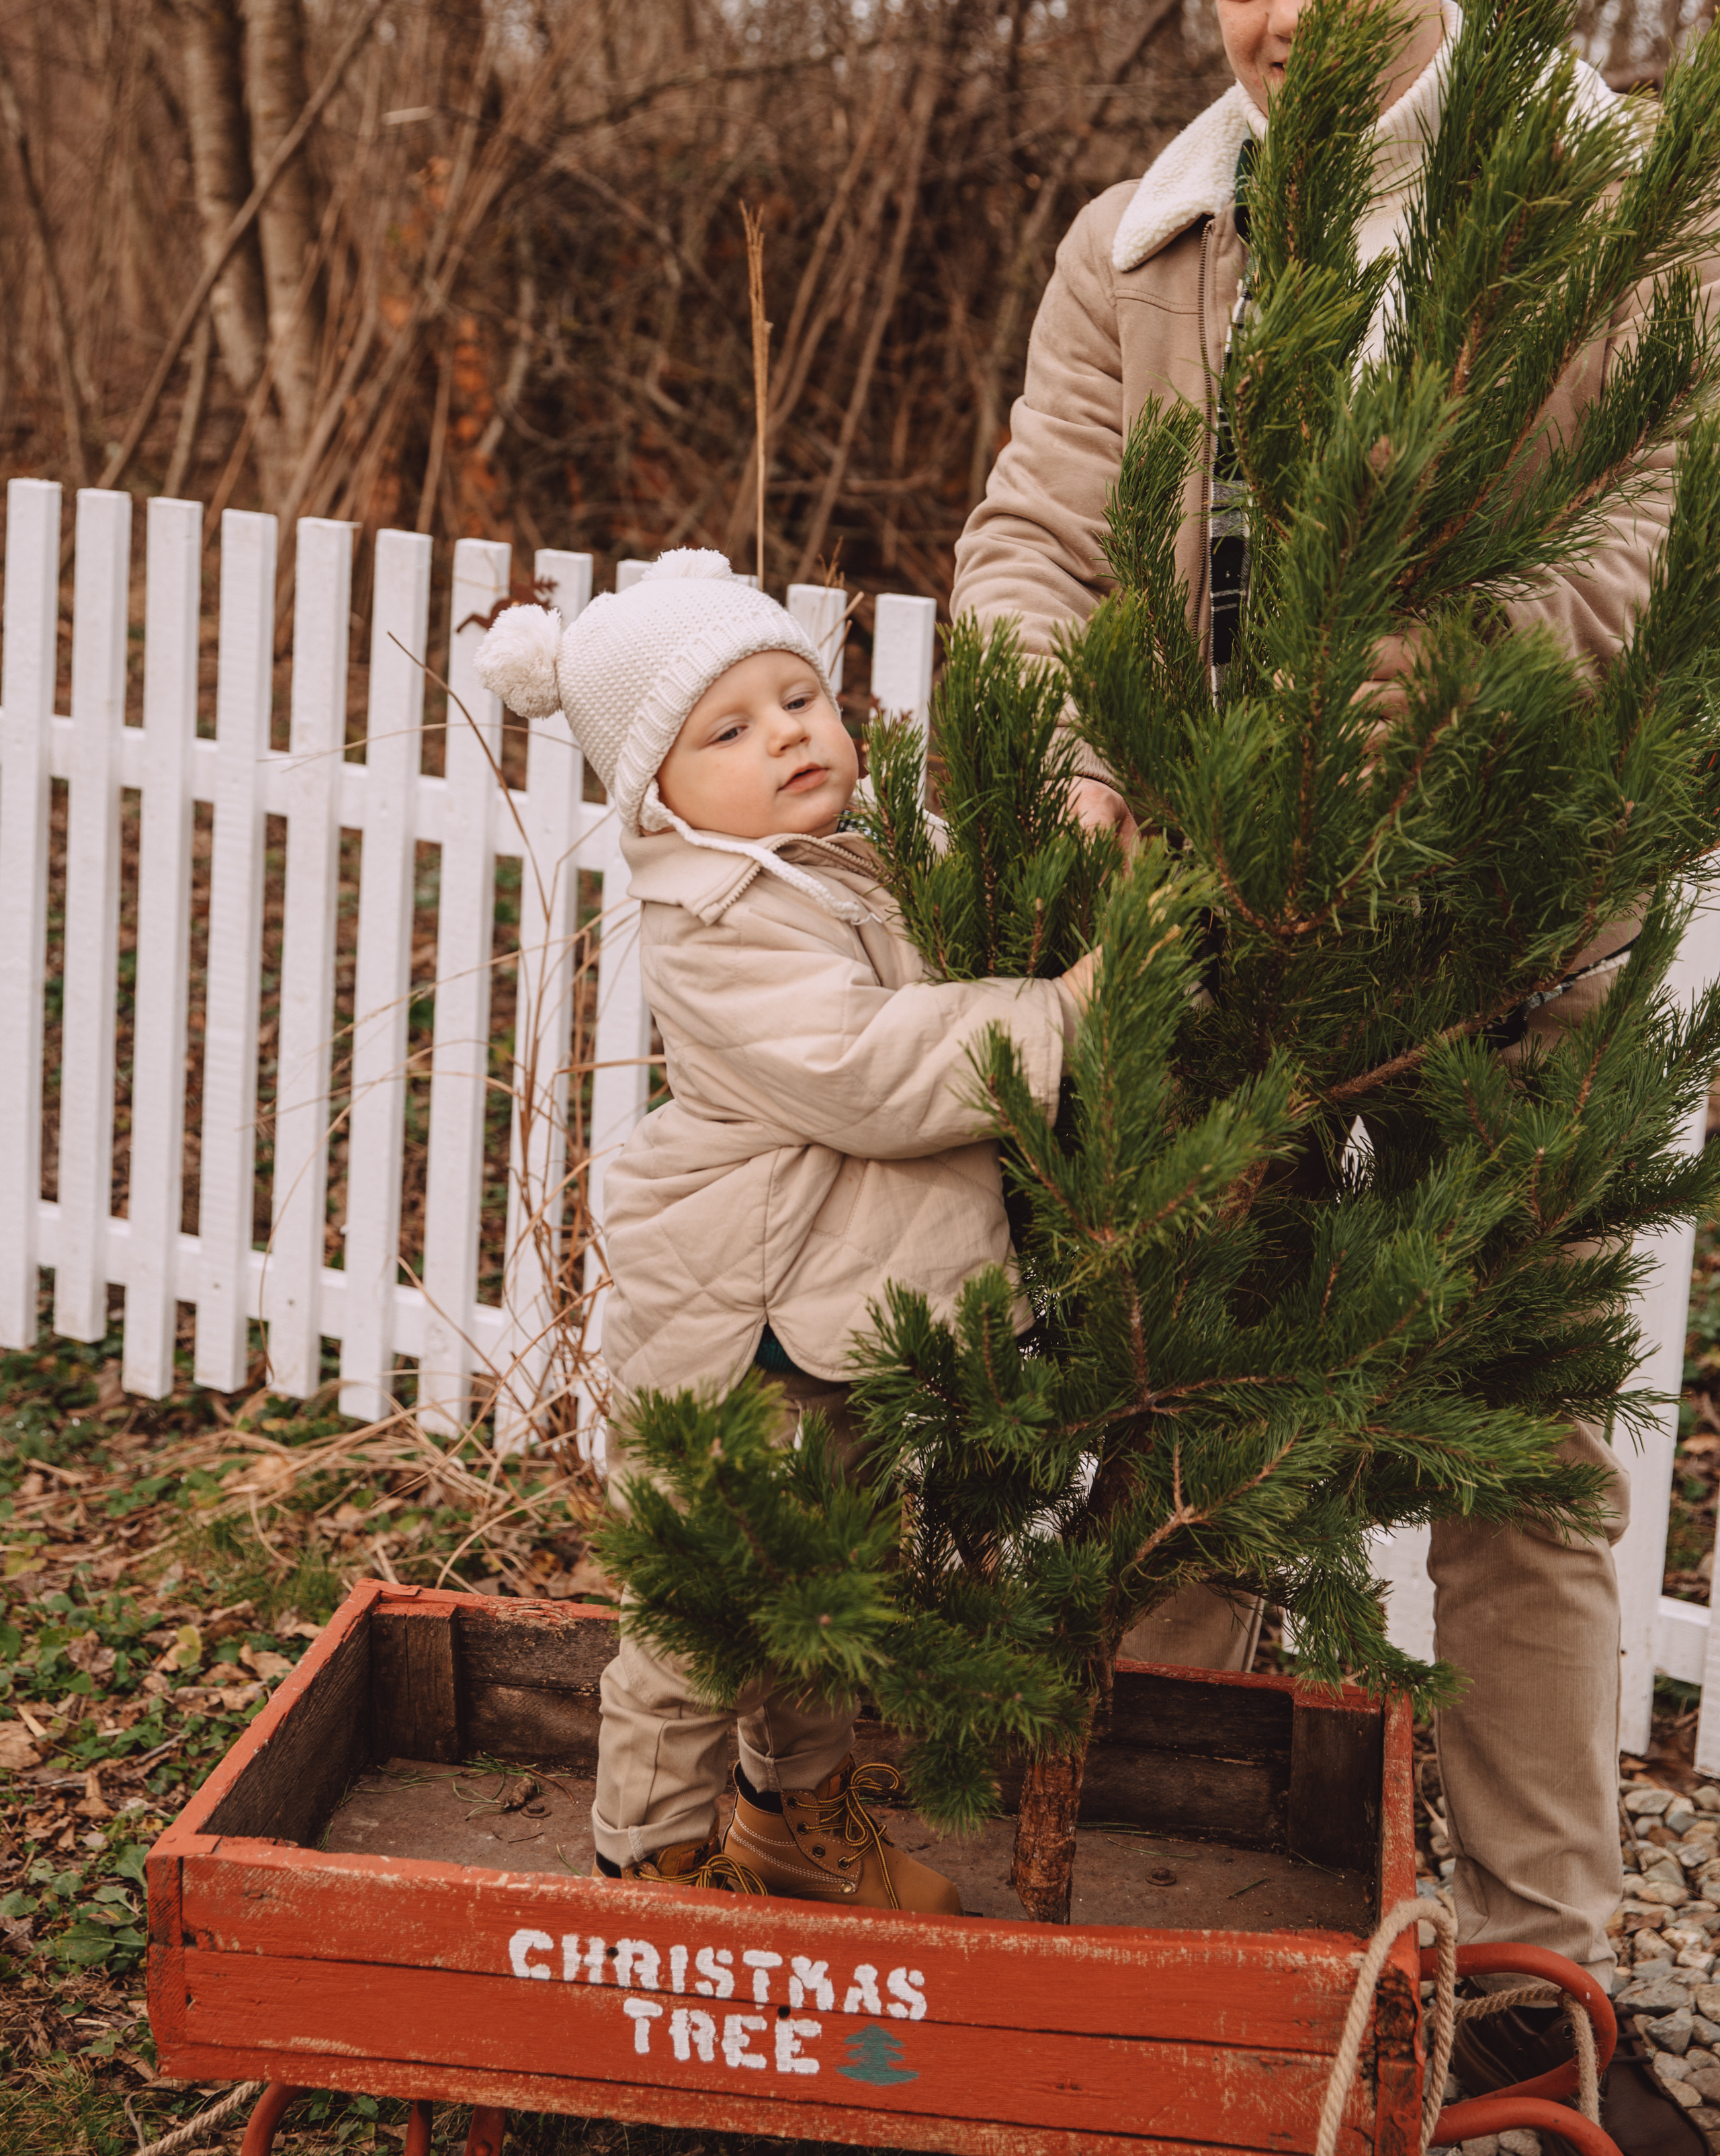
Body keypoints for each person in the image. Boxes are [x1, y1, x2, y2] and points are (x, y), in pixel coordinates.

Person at [950, 0, 1711, 2147]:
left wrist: (1405, 716)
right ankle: (1177, 1929)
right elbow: (1033, 540)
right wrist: (1086, 744)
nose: (1271, 18)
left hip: (1512, 920)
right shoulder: (1144, 242)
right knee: (1179, 1396)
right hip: (1215, 912)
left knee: (1524, 1446)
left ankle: (1546, 1976)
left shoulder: (1609, 210)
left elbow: (1647, 535)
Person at [476, 549, 1094, 1911]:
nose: (789, 734)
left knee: (836, 1588)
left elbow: (956, 936)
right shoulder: (712, 923)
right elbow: (867, 1068)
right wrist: (1061, 1012)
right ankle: (645, 1862)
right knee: (708, 1605)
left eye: (801, 696)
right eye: (731, 728)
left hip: (837, 1310)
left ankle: (790, 1811)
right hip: (739, 1325)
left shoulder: (848, 859)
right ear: (657, 789)